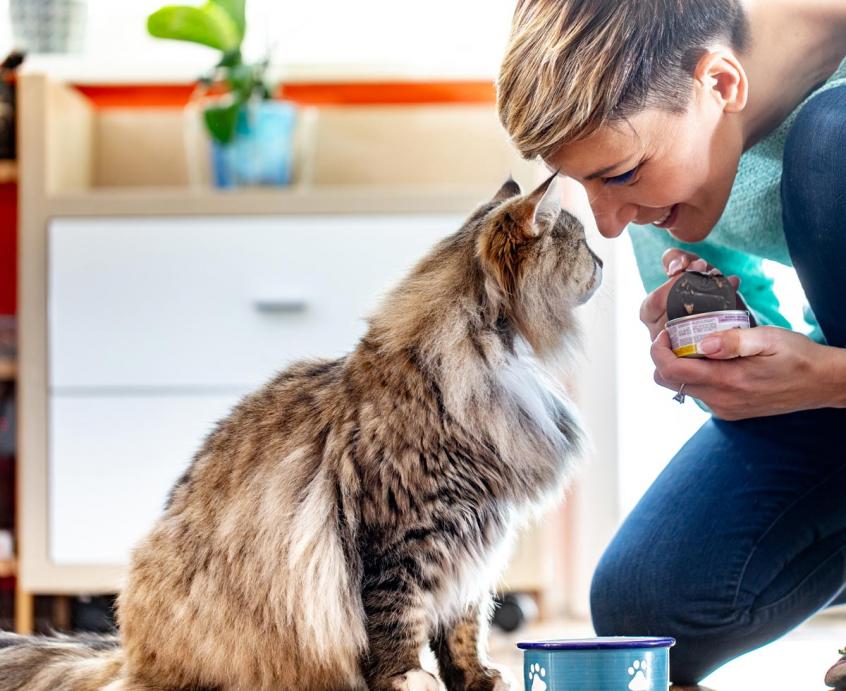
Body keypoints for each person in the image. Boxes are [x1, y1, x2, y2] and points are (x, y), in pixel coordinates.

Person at [497, 1, 846, 689]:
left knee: (829, 146)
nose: (607, 221)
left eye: (622, 173)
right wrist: (733, 360)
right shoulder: (666, 175)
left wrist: (830, 379)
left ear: (720, 84)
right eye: (585, 183)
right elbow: (766, 337)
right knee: (642, 604)